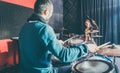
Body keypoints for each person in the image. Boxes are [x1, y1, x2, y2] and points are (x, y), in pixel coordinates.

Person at [18, 0, 98, 73]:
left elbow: (36, 48)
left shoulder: (24, 27)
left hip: (25, 70)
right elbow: (64, 56)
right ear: (46, 12)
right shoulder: (44, 29)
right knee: (74, 68)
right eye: (51, 12)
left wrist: (56, 43)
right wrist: (86, 48)